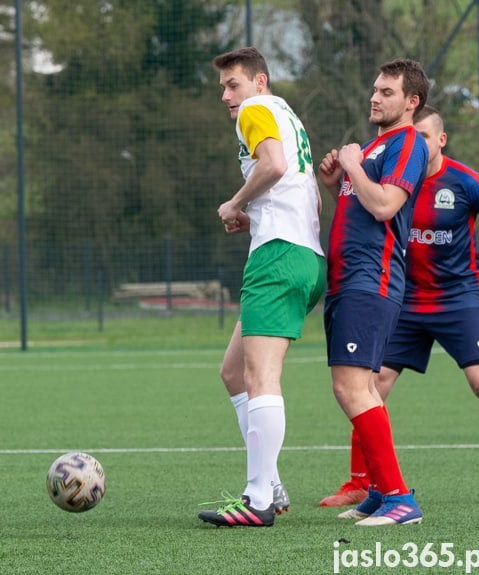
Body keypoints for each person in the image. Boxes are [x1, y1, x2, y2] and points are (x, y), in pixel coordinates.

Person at [320, 105, 479, 507]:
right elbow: (367, 211)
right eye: (411, 136)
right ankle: (362, 484)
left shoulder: (466, 183)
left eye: (423, 137)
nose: (413, 144)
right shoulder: (392, 176)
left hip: (458, 301)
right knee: (372, 385)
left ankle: (391, 496)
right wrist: (341, 184)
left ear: (440, 140)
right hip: (404, 298)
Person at [197, 47, 325, 528]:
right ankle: (269, 483)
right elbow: (304, 189)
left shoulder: (255, 110)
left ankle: (257, 500)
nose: (227, 96)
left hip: (278, 256)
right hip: (302, 254)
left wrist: (234, 204)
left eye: (234, 84)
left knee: (261, 378)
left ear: (260, 82)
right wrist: (258, 217)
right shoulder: (288, 114)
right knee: (234, 373)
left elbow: (271, 166)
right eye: (224, 88)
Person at [318, 58, 430, 526]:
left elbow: (385, 206)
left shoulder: (408, 143)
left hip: (371, 281)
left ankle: (400, 499)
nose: (375, 97)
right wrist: (336, 182)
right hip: (350, 281)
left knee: (349, 387)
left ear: (411, 102)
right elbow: (360, 203)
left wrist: (351, 165)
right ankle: (384, 493)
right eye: (375, 89)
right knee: (362, 387)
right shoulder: (377, 146)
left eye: (386, 91)